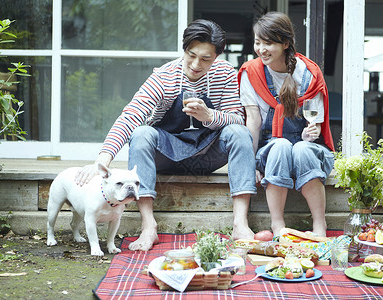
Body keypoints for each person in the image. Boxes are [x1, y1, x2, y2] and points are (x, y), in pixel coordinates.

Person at [75, 19, 256, 251]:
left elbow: (237, 118)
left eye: (205, 59)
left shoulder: (226, 74)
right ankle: (149, 226)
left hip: (208, 154)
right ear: (184, 49)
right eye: (191, 55)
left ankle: (240, 224)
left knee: (239, 132)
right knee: (141, 134)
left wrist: (209, 115)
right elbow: (131, 115)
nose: (196, 64)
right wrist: (103, 159)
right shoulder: (164, 77)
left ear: (217, 56)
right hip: (168, 156)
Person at [238, 11, 335, 237]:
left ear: (285, 43)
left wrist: (312, 132)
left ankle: (319, 224)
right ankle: (277, 225)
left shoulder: (309, 73)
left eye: (268, 43)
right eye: (257, 42)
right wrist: (250, 163)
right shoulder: (251, 73)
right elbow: (253, 121)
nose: (261, 49)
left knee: (300, 148)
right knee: (281, 145)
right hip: (271, 149)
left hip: (308, 149)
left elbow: (316, 123)